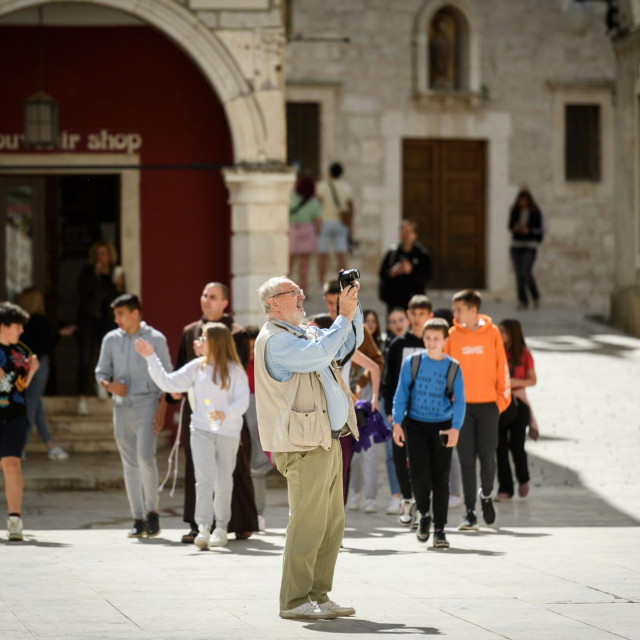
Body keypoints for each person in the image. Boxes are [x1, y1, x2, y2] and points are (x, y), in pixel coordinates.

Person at [254, 276, 362, 620]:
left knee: (332, 523)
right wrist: (342, 317)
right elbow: (321, 354)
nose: (303, 295)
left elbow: (344, 346)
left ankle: (318, 593)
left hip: (325, 439)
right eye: (293, 292)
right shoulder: (275, 341)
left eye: (301, 290)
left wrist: (352, 308)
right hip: (303, 444)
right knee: (307, 523)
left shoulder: (303, 333)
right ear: (274, 303)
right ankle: (294, 600)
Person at [136, 322, 250, 549]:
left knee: (223, 480)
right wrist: (151, 358)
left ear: (216, 342)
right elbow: (168, 383)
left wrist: (225, 413)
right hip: (200, 430)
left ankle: (222, 528)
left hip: (228, 431)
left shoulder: (235, 370)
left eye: (204, 338)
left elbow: (243, 401)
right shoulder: (196, 367)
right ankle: (204, 528)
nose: (198, 342)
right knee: (204, 480)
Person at [169, 282, 257, 544]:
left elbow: (235, 369)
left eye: (213, 297)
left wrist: (207, 357)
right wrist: (171, 394)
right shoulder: (190, 331)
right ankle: (199, 526)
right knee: (200, 471)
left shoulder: (237, 334)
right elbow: (179, 370)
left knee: (233, 469)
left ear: (225, 303)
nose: (206, 300)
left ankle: (239, 522)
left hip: (227, 413)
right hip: (198, 413)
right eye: (204, 295)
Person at [95, 294, 170, 538]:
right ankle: (137, 517)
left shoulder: (156, 339)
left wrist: (162, 410)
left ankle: (153, 512)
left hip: (147, 403)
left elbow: (167, 377)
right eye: (115, 314)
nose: (116, 319)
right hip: (121, 407)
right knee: (129, 463)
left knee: (145, 458)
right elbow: (101, 372)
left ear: (135, 313)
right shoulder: (110, 340)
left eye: (120, 314)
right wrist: (109, 385)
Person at [392, 318, 465, 549]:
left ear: (445, 340)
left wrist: (456, 428)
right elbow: (401, 394)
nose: (431, 342)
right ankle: (424, 514)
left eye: (436, 338)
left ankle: (440, 530)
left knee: (440, 479)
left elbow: (460, 401)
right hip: (416, 425)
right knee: (419, 475)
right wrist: (396, 422)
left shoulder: (453, 367)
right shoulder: (412, 363)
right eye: (428, 338)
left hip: (442, 427)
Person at [444, 290, 511, 531]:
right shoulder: (452, 335)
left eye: (459, 309)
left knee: (487, 458)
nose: (455, 313)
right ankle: (470, 512)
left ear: (473, 310)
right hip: (461, 409)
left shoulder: (492, 333)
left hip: (489, 407)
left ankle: (486, 495)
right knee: (466, 460)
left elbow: (502, 366)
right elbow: (446, 372)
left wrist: (500, 402)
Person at [322, 280, 382, 509]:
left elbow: (375, 365)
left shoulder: (348, 340)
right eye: (329, 303)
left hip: (345, 411)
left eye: (335, 303)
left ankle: (338, 520)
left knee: (344, 467)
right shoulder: (317, 328)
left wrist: (369, 394)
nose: (331, 308)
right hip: (320, 413)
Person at [381, 295, 433, 526]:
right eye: (414, 313)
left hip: (430, 414)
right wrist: (392, 410)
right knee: (400, 457)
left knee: (425, 461)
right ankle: (407, 499)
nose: (418, 318)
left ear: (429, 316)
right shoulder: (397, 345)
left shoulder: (435, 344)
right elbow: (388, 380)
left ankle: (423, 505)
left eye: (423, 314)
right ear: (409, 315)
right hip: (402, 413)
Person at [18, 288, 74, 460]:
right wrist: (59, 335)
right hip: (39, 365)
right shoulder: (39, 321)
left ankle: (50, 445)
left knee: (36, 406)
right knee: (31, 405)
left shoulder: (21, 323)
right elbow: (44, 346)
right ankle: (19, 446)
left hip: (22, 365)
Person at [0, 302, 39, 541]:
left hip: (15, 416)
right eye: (17, 326)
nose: (21, 331)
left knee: (12, 464)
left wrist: (31, 371)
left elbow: (20, 387)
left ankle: (15, 520)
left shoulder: (21, 351)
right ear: (3, 327)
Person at [76, 240, 124, 415]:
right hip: (88, 318)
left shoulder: (115, 272)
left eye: (103, 253)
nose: (100, 257)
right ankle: (82, 397)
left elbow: (119, 299)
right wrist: (95, 277)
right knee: (85, 357)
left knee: (109, 356)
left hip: (107, 320)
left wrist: (118, 286)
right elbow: (82, 295)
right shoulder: (88, 272)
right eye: (97, 253)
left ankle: (103, 386)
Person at [496, 319, 538, 500]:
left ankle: (523, 479)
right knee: (499, 447)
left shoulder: (525, 354)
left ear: (513, 333)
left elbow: (533, 380)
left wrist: (514, 383)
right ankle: (505, 488)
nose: (500, 334)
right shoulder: (495, 352)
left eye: (503, 331)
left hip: (519, 404)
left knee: (517, 445)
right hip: (499, 404)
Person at [381, 307, 409, 515]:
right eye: (393, 321)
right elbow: (387, 381)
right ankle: (396, 495)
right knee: (392, 453)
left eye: (401, 319)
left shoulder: (423, 343)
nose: (398, 324)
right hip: (393, 407)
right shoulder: (388, 346)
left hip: (417, 407)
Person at [244, 324, 273, 532]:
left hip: (261, 408)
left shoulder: (266, 361)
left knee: (258, 467)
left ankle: (259, 514)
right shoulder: (235, 362)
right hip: (239, 408)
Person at [378, 220, 432, 313]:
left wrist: (411, 270)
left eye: (408, 232)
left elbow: (428, 276)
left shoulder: (422, 254)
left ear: (415, 235)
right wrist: (392, 272)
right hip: (395, 301)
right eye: (403, 232)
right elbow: (382, 274)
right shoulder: (392, 253)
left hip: (415, 302)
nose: (406, 235)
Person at [316, 163, 354, 283]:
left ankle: (321, 282)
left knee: (323, 254)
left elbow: (318, 204)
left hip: (325, 222)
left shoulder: (322, 186)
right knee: (341, 254)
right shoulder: (346, 187)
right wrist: (351, 225)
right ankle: (344, 282)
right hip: (340, 223)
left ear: (329, 172)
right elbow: (351, 206)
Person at [509, 189, 544, 310]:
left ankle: (535, 296)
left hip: (529, 246)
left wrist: (528, 231)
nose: (522, 202)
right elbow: (510, 225)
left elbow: (539, 230)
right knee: (519, 274)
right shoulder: (515, 211)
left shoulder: (535, 212)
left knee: (526, 271)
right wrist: (517, 228)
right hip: (516, 245)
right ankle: (522, 301)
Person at [289, 175, 322, 293]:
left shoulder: (291, 198)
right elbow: (318, 221)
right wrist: (316, 233)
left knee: (289, 262)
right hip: (308, 230)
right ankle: (304, 289)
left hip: (293, 230)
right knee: (304, 263)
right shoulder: (314, 202)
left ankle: (284, 288)